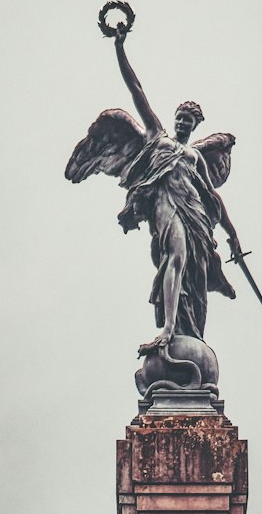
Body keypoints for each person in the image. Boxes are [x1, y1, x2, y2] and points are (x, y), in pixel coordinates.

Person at [65, 22, 242, 355]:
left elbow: (212, 197)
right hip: (166, 207)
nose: (181, 124)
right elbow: (136, 89)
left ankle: (188, 329)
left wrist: (232, 235)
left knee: (195, 273)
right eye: (179, 118)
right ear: (173, 119)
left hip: (196, 217)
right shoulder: (156, 136)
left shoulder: (194, 156)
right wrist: (119, 46)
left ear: (195, 126)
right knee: (175, 256)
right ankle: (169, 330)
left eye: (187, 122)